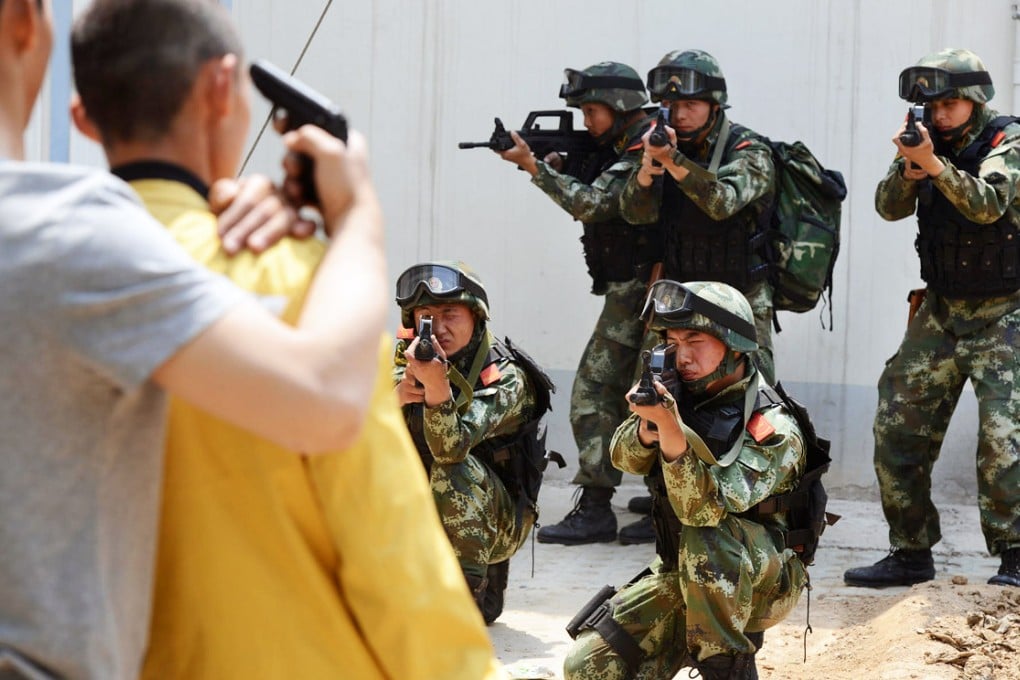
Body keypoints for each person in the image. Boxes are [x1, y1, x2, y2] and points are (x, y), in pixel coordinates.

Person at [0, 2, 494, 679]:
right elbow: (390, 547)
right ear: (219, 88)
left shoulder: (47, 262)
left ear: (82, 118)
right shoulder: (313, 287)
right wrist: (353, 220)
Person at [564, 280, 807, 680]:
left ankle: (726, 668)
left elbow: (704, 509)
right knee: (588, 666)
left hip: (762, 583)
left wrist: (672, 433)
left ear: (734, 346)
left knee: (708, 534)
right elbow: (624, 457)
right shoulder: (683, 394)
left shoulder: (772, 426)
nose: (682, 355)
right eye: (673, 341)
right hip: (684, 571)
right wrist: (648, 425)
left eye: (695, 340)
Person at [843, 47, 1020, 589]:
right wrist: (910, 164)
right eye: (930, 105)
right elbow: (887, 207)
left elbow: (990, 205)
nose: (938, 115)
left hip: (1005, 314)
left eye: (948, 105)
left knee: (1004, 440)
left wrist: (937, 167)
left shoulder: (1007, 141)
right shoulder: (926, 142)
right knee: (898, 425)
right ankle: (910, 552)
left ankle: (1015, 553)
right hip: (941, 310)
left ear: (973, 100)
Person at [496, 61, 660, 546]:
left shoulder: (645, 146)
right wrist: (559, 167)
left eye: (592, 110)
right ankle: (608, 503)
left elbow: (594, 204)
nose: (586, 121)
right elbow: (595, 185)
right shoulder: (620, 145)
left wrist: (532, 169)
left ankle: (645, 503)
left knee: (622, 393)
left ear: (620, 106)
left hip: (654, 290)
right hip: (634, 289)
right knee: (610, 392)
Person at [393, 261, 551, 624]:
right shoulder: (406, 362)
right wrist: (396, 397)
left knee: (454, 468)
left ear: (476, 318)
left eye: (451, 314)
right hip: (425, 510)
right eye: (427, 315)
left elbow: (451, 448)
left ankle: (467, 597)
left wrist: (435, 389)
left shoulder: (505, 376)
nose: (439, 327)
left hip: (496, 520)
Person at [620, 49, 778, 385]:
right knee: (654, 392)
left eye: (691, 105)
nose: (680, 115)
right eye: (672, 106)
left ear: (715, 107)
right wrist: (649, 170)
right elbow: (634, 213)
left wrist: (673, 160)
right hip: (680, 296)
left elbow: (722, 202)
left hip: (740, 296)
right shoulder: (663, 146)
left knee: (752, 395)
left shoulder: (749, 151)